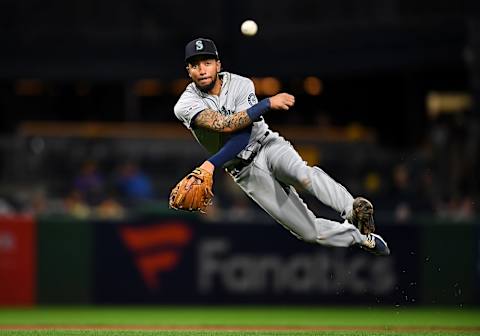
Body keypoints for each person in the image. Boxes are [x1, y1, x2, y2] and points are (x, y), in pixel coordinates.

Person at [173, 37, 390, 256]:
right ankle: (360, 237)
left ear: (218, 65)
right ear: (188, 71)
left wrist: (210, 164)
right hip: (244, 172)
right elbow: (225, 125)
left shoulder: (240, 84)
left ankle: (353, 209)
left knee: (302, 175)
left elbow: (243, 135)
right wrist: (266, 103)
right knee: (308, 232)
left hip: (267, 145)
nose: (201, 69)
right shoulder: (185, 104)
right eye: (195, 65)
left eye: (207, 62)